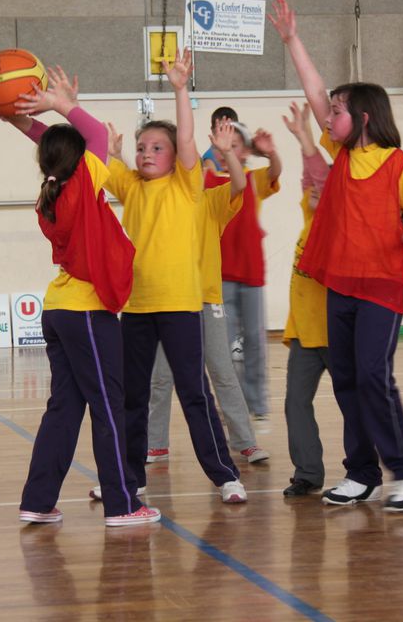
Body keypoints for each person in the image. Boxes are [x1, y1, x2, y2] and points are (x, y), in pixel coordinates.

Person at [270, 0, 403, 512]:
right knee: (345, 379)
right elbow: (316, 91)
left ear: (362, 118)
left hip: (382, 286)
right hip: (339, 283)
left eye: (338, 112)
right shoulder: (341, 155)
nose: (329, 115)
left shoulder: (399, 164)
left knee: (372, 376)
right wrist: (293, 39)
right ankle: (361, 473)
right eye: (331, 111)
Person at [3, 66, 160, 527]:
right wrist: (58, 104)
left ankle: (37, 500)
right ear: (82, 160)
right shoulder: (82, 186)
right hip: (87, 312)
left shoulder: (51, 192)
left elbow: (61, 148)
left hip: (58, 310)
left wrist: (20, 121)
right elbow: (88, 133)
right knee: (109, 406)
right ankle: (123, 504)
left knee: (65, 408)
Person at [96, 48, 247, 504]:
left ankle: (225, 476)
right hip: (138, 308)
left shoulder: (187, 183)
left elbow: (186, 144)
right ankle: (130, 477)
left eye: (156, 147)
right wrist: (111, 147)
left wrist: (180, 89)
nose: (147, 154)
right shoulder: (130, 187)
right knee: (132, 399)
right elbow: (103, 166)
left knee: (194, 394)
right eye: (142, 148)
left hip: (182, 305)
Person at [141, 117, 270, 466]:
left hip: (205, 300)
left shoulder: (211, 200)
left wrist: (228, 154)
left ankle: (244, 440)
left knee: (222, 372)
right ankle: (155, 443)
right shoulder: (162, 199)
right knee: (161, 377)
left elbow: (240, 185)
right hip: (169, 303)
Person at [203, 109, 283, 426]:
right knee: (225, 348)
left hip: (251, 273)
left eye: (236, 145)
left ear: (246, 151)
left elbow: (275, 171)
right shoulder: (208, 179)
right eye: (225, 144)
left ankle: (258, 404)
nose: (229, 150)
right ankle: (233, 406)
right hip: (219, 276)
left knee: (253, 342)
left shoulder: (253, 180)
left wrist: (272, 152)